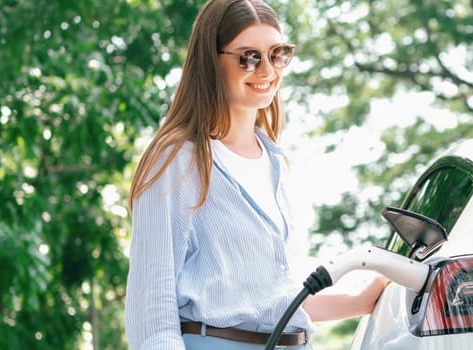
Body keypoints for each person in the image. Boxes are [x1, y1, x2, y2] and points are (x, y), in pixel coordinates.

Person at [124, 1, 389, 349]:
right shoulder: (179, 160)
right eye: (249, 57)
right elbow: (152, 312)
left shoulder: (277, 163)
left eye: (277, 54)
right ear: (212, 61)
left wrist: (366, 296)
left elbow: (278, 299)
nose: (266, 70)